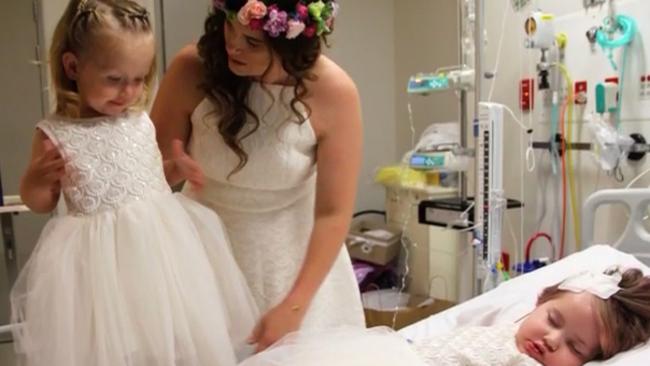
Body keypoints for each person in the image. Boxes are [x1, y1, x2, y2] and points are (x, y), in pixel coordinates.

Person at [11, 1, 258, 365]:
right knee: (108, 347)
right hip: (95, 266)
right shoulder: (55, 134)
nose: (128, 92)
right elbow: (41, 202)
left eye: (139, 79)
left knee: (166, 339)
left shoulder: (140, 121)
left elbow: (152, 178)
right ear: (73, 67)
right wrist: (35, 179)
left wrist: (178, 167)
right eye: (114, 79)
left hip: (159, 254)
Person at [151, 0, 365, 352]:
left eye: (252, 43)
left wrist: (294, 306)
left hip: (295, 270)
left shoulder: (334, 92)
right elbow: (147, 174)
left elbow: (333, 213)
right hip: (203, 262)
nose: (233, 46)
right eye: (229, 26)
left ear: (292, 44)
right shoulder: (191, 70)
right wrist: (171, 167)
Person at [239, 268, 650, 366]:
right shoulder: (508, 328)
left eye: (575, 347)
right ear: (538, 302)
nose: (552, 341)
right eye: (553, 320)